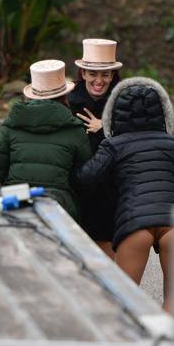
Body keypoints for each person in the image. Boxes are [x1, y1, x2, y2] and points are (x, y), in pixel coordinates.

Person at [77, 77, 174, 312]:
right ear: (161, 114)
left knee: (125, 299)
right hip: (173, 222)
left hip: (134, 223)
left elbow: (86, 179)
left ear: (116, 115)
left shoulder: (113, 145)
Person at [0, 60, 91, 221]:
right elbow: (84, 181)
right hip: (60, 207)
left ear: (32, 93)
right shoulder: (75, 129)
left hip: (14, 204)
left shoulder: (12, 124)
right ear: (64, 94)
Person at [68, 38, 122, 258]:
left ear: (112, 76)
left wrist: (104, 129)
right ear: (83, 74)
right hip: (77, 193)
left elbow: (133, 144)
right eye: (93, 74)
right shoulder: (68, 102)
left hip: (110, 197)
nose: (99, 80)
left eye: (105, 74)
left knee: (107, 266)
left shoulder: (124, 103)